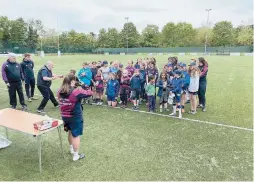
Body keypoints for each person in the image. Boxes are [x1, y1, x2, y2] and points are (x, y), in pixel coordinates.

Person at [58, 74, 93, 161]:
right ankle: (76, 155)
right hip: (75, 116)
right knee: (76, 135)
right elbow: (90, 93)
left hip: (65, 116)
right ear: (72, 81)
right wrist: (84, 86)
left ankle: (71, 149)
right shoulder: (76, 91)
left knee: (70, 132)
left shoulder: (60, 90)